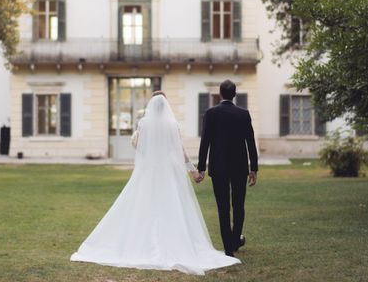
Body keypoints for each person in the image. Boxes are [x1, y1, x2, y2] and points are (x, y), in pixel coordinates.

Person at [70, 91, 240, 275]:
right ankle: (172, 241)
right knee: (171, 206)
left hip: (150, 171)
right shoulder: (172, 124)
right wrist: (193, 170)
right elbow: (179, 150)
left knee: (145, 205)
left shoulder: (144, 123)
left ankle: (143, 241)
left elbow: (141, 147)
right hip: (168, 171)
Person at [195, 79, 259, 257]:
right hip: (239, 166)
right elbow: (250, 143)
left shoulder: (210, 113)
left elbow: (205, 142)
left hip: (218, 166)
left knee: (223, 207)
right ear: (235, 94)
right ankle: (234, 242)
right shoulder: (243, 114)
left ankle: (229, 248)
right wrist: (253, 168)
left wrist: (201, 167)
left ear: (220, 93)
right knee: (238, 205)